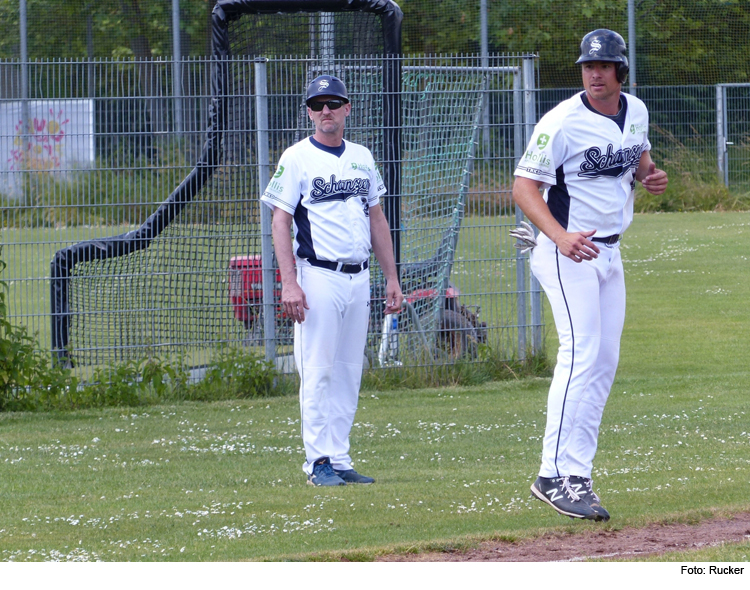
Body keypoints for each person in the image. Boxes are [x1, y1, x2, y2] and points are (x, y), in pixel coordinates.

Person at [512, 29, 668, 520]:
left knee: (603, 362)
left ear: (621, 71)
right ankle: (550, 475)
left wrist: (649, 175)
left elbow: (637, 162)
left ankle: (577, 473)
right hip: (567, 251)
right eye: (588, 66)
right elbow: (523, 187)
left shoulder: (636, 111)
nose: (595, 73)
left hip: (609, 253)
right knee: (579, 356)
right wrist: (558, 236)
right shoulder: (562, 121)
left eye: (604, 66)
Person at [261, 75, 404, 486]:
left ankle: (339, 458)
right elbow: (280, 220)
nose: (326, 110)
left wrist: (391, 278)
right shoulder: (297, 157)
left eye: (334, 102)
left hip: (358, 278)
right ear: (308, 111)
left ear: (347, 108)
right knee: (318, 369)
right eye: (318, 103)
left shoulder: (362, 156)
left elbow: (376, 218)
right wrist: (289, 283)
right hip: (318, 275)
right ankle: (317, 461)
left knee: (347, 371)